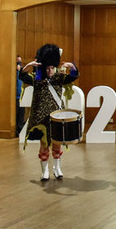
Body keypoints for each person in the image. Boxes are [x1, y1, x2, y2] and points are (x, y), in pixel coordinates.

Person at [19, 44, 79, 181]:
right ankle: (44, 171)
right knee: (44, 145)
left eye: (52, 67)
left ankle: (57, 169)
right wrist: (28, 65)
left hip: (56, 117)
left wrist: (72, 67)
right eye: (47, 68)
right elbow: (22, 76)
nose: (50, 70)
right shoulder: (36, 79)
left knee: (57, 144)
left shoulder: (59, 78)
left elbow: (73, 76)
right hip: (41, 119)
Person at [15, 55, 26, 136]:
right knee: (15, 115)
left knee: (21, 116)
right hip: (15, 98)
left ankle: (21, 132)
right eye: (18, 62)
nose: (19, 64)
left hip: (22, 97)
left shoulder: (22, 73)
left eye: (20, 62)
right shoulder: (13, 73)